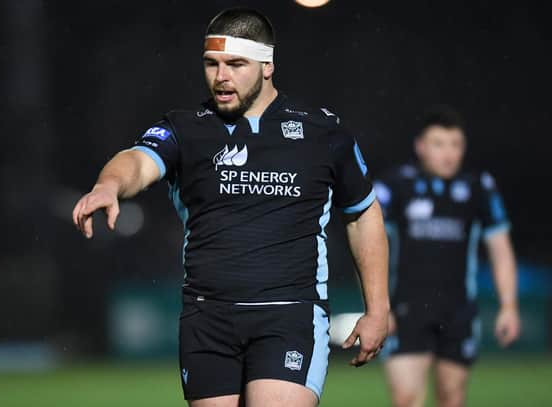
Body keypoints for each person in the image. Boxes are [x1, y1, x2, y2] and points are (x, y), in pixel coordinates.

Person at [72, 8, 389, 407]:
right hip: (208, 319)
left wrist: (377, 309)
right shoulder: (186, 129)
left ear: (267, 65)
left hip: (289, 316)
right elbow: (137, 160)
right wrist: (109, 185)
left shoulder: (322, 132)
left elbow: (362, 213)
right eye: (211, 63)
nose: (220, 76)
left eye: (235, 64)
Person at [375, 105, 521, 407]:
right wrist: (378, 305)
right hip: (404, 311)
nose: (448, 153)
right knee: (406, 400)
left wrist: (509, 305)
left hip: (457, 313)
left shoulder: (479, 187)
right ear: (420, 146)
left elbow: (500, 248)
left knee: (451, 399)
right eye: (439, 144)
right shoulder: (395, 186)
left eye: (455, 144)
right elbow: (369, 246)